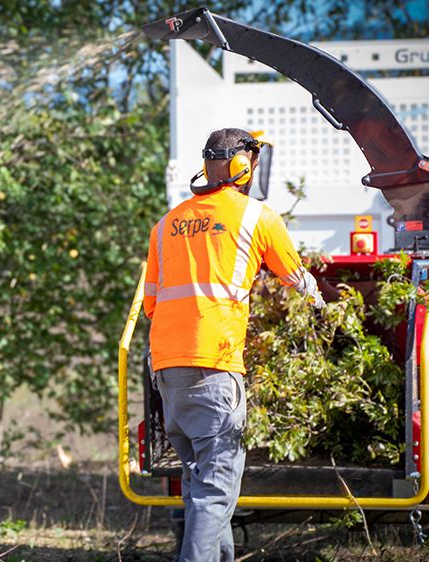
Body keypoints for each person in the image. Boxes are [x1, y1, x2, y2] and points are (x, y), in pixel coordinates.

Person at [143, 128, 324, 561]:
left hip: (168, 370)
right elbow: (298, 281)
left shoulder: (165, 225)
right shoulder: (257, 217)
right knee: (215, 489)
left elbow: (151, 303)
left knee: (199, 483)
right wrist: (323, 309)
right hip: (215, 366)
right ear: (244, 168)